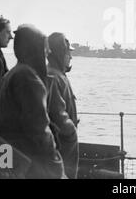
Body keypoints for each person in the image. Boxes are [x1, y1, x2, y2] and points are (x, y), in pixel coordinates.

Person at [0, 24, 65, 179]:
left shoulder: (13, 74)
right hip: (28, 162)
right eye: (45, 47)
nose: (49, 51)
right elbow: (39, 129)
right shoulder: (27, 78)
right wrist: (56, 165)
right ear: (35, 48)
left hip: (10, 156)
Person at [46, 32, 79, 179]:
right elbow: (56, 113)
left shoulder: (57, 75)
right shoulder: (53, 76)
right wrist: (70, 130)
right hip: (62, 144)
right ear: (60, 53)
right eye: (68, 53)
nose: (70, 57)